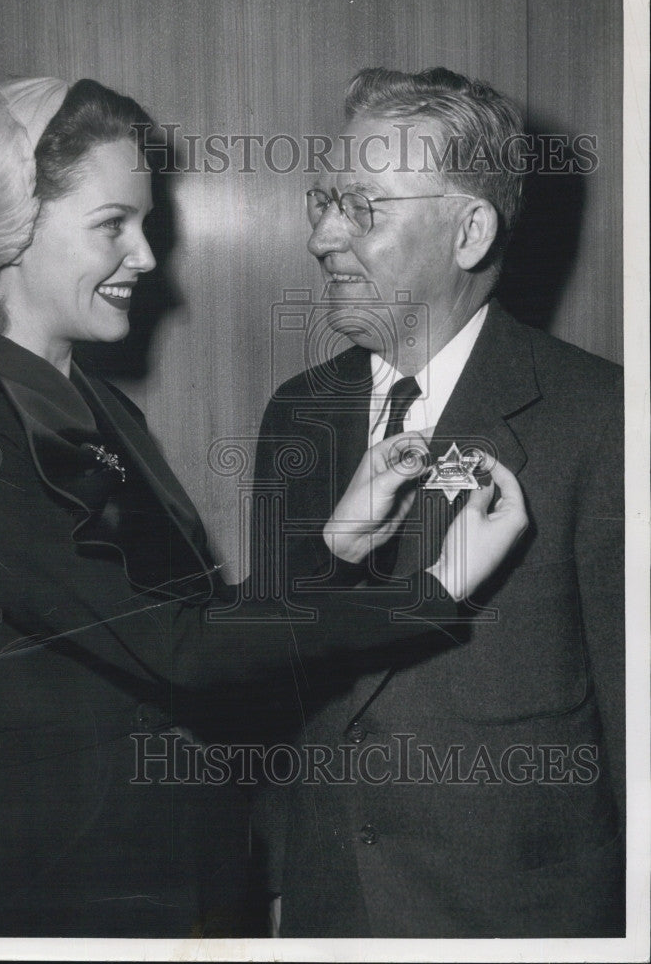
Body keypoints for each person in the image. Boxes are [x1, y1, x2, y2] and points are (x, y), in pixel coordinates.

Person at [0, 65, 528, 938]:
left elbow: (207, 636)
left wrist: (330, 546)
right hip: (63, 911)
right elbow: (176, 652)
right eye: (114, 224)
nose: (147, 256)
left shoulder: (98, 409)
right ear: (10, 230)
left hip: (196, 896)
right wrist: (432, 591)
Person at [252, 66, 624, 938]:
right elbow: (271, 671)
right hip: (330, 913)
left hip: (519, 922)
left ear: (468, 232)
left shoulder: (603, 421)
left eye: (363, 207)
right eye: (323, 199)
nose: (322, 235)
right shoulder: (294, 415)